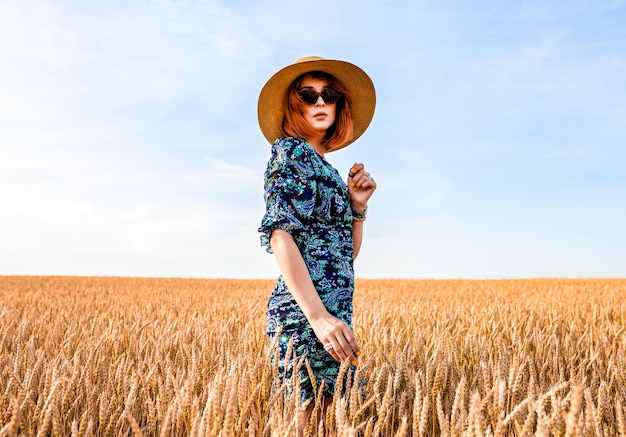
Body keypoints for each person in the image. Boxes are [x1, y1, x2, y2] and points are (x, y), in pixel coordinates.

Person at [257, 56, 377, 432]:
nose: (321, 102)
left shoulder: (325, 167)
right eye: (309, 95)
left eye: (330, 95)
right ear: (295, 105)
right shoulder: (289, 152)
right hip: (304, 315)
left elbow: (344, 256)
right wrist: (317, 317)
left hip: (336, 314)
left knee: (329, 425)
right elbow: (280, 233)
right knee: (301, 422)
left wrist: (357, 207)